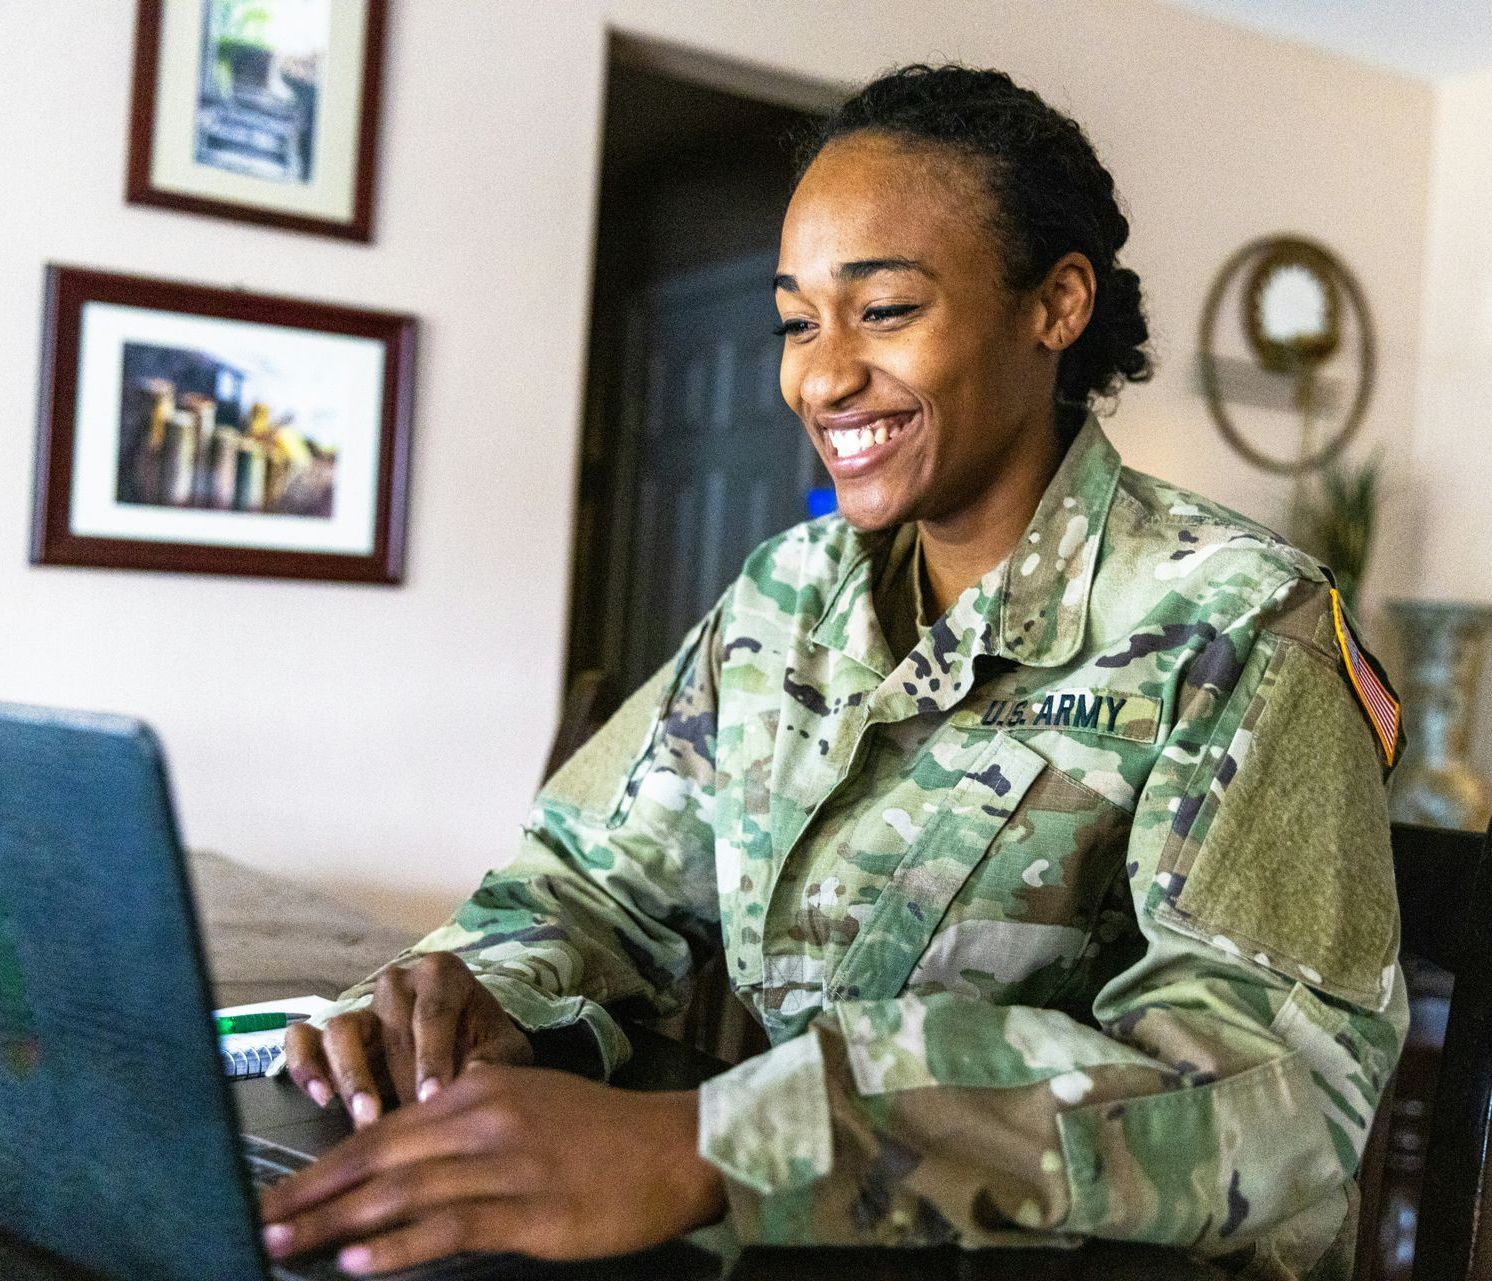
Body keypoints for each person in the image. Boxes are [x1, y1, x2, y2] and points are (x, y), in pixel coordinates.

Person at [260, 63, 1408, 1280]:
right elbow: (595, 888)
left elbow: (1270, 1091)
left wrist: (722, 1148)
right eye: (798, 322)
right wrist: (482, 1001)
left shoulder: (1240, 623)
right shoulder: (790, 591)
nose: (818, 377)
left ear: (1055, 305)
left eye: (886, 310)